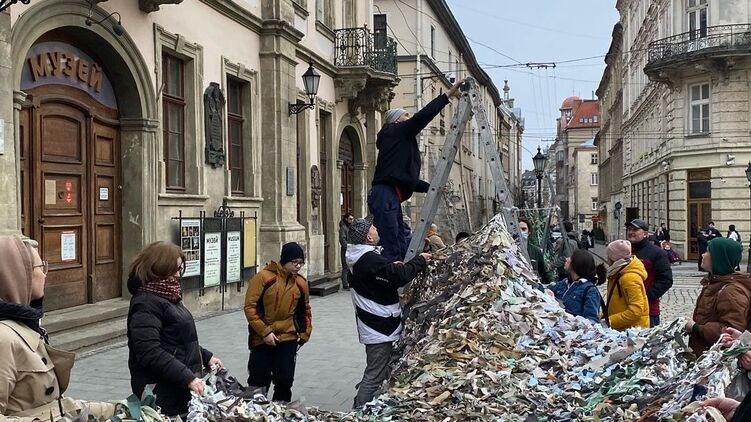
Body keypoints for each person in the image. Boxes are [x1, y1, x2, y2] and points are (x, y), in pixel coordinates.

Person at [0, 236, 117, 420]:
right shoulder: (4, 337)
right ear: (18, 275)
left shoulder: (25, 326)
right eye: (41, 267)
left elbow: (53, 408)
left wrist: (114, 410)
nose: (45, 274)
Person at [369, 79, 465, 261]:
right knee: (391, 244)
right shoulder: (397, 131)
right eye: (406, 116)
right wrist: (447, 95)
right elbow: (423, 116)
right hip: (385, 195)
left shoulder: (398, 140)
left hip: (390, 195)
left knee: (399, 240)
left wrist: (430, 187)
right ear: (397, 121)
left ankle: (402, 276)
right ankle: (391, 282)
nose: (410, 118)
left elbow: (406, 178)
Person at [127, 241, 223, 417]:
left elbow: (178, 339)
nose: (179, 275)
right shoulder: (146, 302)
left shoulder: (168, 295)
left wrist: (206, 356)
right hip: (161, 390)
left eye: (180, 269)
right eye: (176, 269)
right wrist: (187, 377)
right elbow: (149, 351)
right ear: (160, 268)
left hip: (177, 386)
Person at [346, 217, 431, 408]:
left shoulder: (362, 256)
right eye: (374, 228)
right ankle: (360, 412)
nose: (377, 229)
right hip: (378, 325)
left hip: (379, 322)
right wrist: (419, 261)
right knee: (374, 375)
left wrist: (392, 268)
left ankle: (364, 405)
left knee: (380, 370)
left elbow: (384, 273)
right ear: (368, 237)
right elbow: (399, 277)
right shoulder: (367, 259)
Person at [244, 242, 312, 403]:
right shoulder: (264, 278)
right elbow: (250, 307)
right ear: (285, 260)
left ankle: (280, 412)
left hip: (288, 337)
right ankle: (255, 412)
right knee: (258, 380)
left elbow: (305, 310)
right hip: (262, 337)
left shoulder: (301, 283)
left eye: (301, 262)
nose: (298, 266)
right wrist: (265, 332)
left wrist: (303, 335)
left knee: (285, 380)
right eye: (294, 262)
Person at [685, 237, 751, 355]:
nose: (703, 255)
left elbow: (731, 330)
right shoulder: (715, 282)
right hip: (705, 352)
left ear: (719, 258)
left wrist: (695, 328)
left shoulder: (730, 291)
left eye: (708, 252)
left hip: (715, 357)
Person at [626, 218, 673, 327]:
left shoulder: (656, 253)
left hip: (648, 311)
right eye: (629, 229)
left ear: (645, 233)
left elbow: (666, 280)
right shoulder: (624, 251)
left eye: (635, 230)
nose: (630, 232)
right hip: (624, 310)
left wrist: (644, 296)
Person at [547, 249, 605, 323]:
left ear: (576, 263)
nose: (566, 259)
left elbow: (592, 320)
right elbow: (547, 293)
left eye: (570, 258)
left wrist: (572, 319)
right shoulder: (565, 282)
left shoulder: (590, 290)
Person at [603, 240, 650, 330]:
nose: (607, 258)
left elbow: (636, 311)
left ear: (614, 258)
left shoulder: (629, 278)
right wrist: (603, 316)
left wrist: (609, 321)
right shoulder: (617, 272)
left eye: (609, 256)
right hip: (622, 328)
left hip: (632, 332)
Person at [519, 218, 555, 284]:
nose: (520, 232)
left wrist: (552, 281)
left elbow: (543, 271)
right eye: (518, 229)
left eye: (523, 229)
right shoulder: (508, 250)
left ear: (529, 232)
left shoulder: (536, 251)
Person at [339, 213, 355, 290]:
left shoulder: (351, 227)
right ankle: (345, 284)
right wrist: (349, 246)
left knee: (350, 267)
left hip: (352, 249)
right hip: (346, 250)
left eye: (353, 219)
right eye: (350, 219)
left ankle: (349, 282)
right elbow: (342, 240)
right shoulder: (343, 228)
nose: (352, 221)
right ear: (346, 219)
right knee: (345, 267)